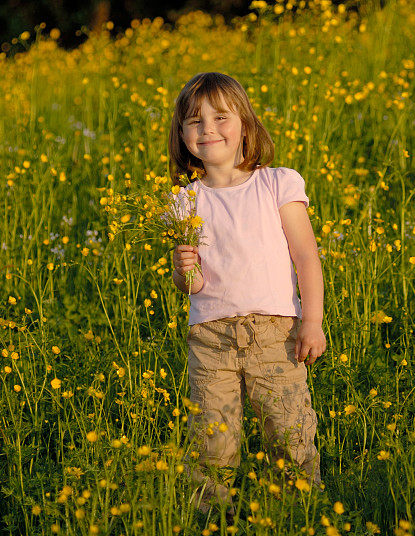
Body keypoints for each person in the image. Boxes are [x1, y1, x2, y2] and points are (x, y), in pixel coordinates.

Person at [167, 72, 327, 518]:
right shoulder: (184, 201)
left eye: (221, 117)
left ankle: (295, 517)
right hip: (210, 338)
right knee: (211, 439)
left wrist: (311, 322)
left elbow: (306, 257)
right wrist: (184, 271)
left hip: (275, 334)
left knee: (289, 431)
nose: (208, 129)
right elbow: (192, 287)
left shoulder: (276, 183)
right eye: (194, 121)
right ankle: (211, 519)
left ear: (246, 126)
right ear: (182, 136)